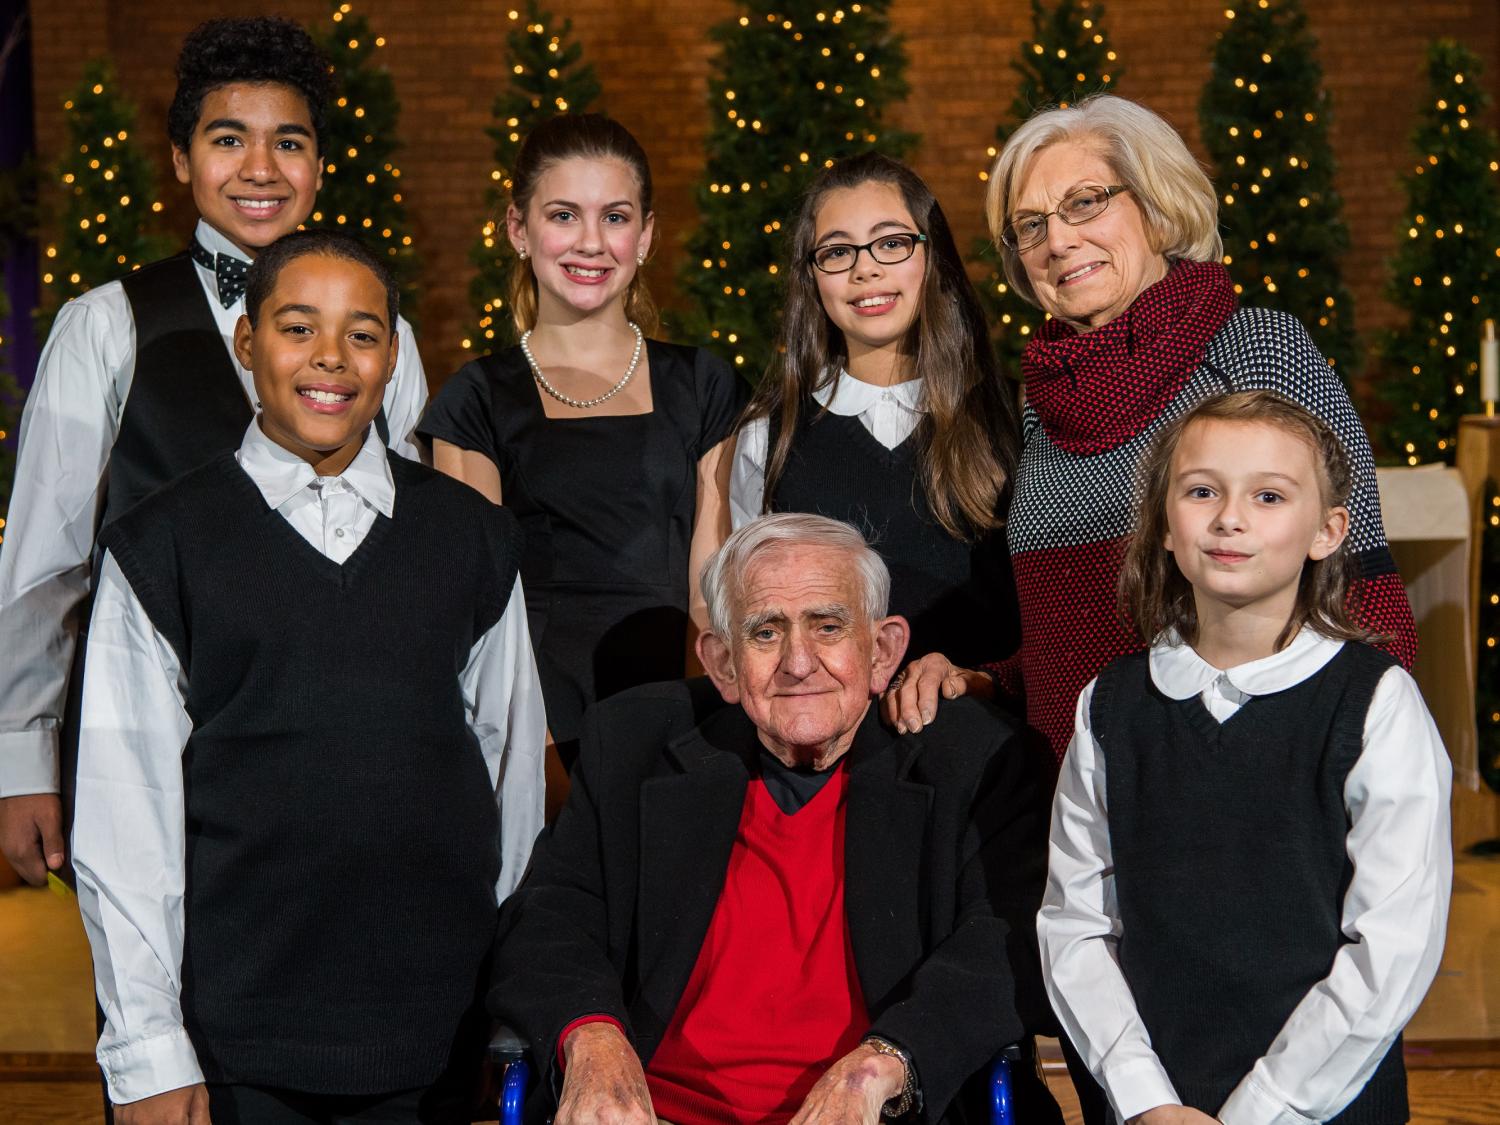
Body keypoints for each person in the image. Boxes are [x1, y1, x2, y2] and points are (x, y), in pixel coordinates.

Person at [71, 230, 546, 1125]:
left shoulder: (474, 539)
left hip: (434, 1031)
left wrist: (511, 1010)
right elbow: (125, 813)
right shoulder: (163, 545)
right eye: (298, 328)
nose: (331, 357)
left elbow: (510, 783)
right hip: (236, 1036)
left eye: (362, 334)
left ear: (393, 357)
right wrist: (148, 1048)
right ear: (248, 343)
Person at [0, 15, 429, 886]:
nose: (260, 169)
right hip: (158, 758)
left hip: (350, 755)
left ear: (319, 166)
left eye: (288, 143)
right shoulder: (106, 326)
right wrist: (20, 758)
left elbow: (411, 545)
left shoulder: (391, 338)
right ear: (181, 158)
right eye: (228, 139)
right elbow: (46, 565)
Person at [883, 94, 1417, 765]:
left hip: (1228, 780)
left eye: (1085, 202)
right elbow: (1070, 642)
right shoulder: (1044, 397)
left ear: (1158, 207)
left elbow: (1365, 606)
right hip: (1076, 787)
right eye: (1030, 225)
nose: (1058, 241)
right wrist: (989, 679)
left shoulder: (1254, 353)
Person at [489, 513, 1055, 1125]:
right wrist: (593, 1037)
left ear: (883, 651)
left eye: (828, 626)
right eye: (765, 632)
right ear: (723, 664)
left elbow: (1006, 947)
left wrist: (882, 1066)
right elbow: (549, 915)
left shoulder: (975, 759)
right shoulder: (632, 743)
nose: (798, 662)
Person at [1039, 390, 1451, 1125]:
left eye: (1268, 496)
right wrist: (1144, 1096)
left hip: (1322, 1103)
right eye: (1202, 491)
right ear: (1165, 524)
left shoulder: (1376, 704)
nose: (1230, 518)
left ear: (1327, 531)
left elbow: (1393, 945)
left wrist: (1265, 1106)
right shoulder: (1110, 706)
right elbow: (1076, 923)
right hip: (1154, 1104)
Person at [420, 113, 745, 765]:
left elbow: (713, 589)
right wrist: (526, 741)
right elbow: (476, 602)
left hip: (680, 718)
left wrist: (708, 723)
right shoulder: (478, 398)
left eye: (615, 217)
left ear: (645, 236)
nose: (591, 242)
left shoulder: (705, 385)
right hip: (537, 729)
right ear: (519, 229)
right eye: (564, 215)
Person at [731, 153, 1021, 668]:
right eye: (837, 251)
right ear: (812, 277)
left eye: (890, 243)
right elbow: (754, 619)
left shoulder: (1014, 415)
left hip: (987, 711)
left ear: (932, 256)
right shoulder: (769, 436)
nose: (865, 268)